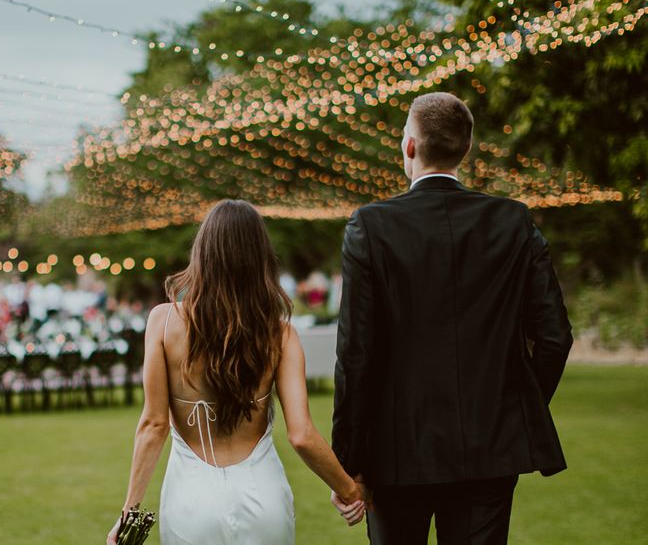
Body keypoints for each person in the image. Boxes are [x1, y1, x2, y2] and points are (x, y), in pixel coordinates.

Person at [332, 92, 573, 544]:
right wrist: (509, 411)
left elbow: (356, 354)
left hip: (396, 454)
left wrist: (349, 459)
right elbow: (555, 337)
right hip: (489, 448)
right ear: (465, 148)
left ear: (409, 147)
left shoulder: (370, 226)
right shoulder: (512, 221)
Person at [108, 200, 367, 545]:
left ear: (202, 254)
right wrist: (350, 490)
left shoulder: (163, 321)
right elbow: (301, 434)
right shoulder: (281, 334)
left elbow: (154, 425)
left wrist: (128, 518)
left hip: (190, 503)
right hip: (264, 500)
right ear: (259, 259)